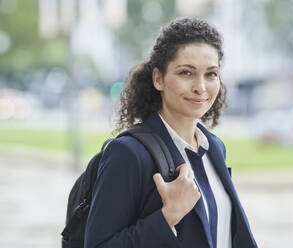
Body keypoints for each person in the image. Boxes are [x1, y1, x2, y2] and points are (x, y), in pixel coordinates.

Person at [84, 17, 257, 248]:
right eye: (186, 73)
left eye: (211, 74)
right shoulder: (128, 153)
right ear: (158, 79)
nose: (201, 87)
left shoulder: (214, 147)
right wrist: (168, 217)